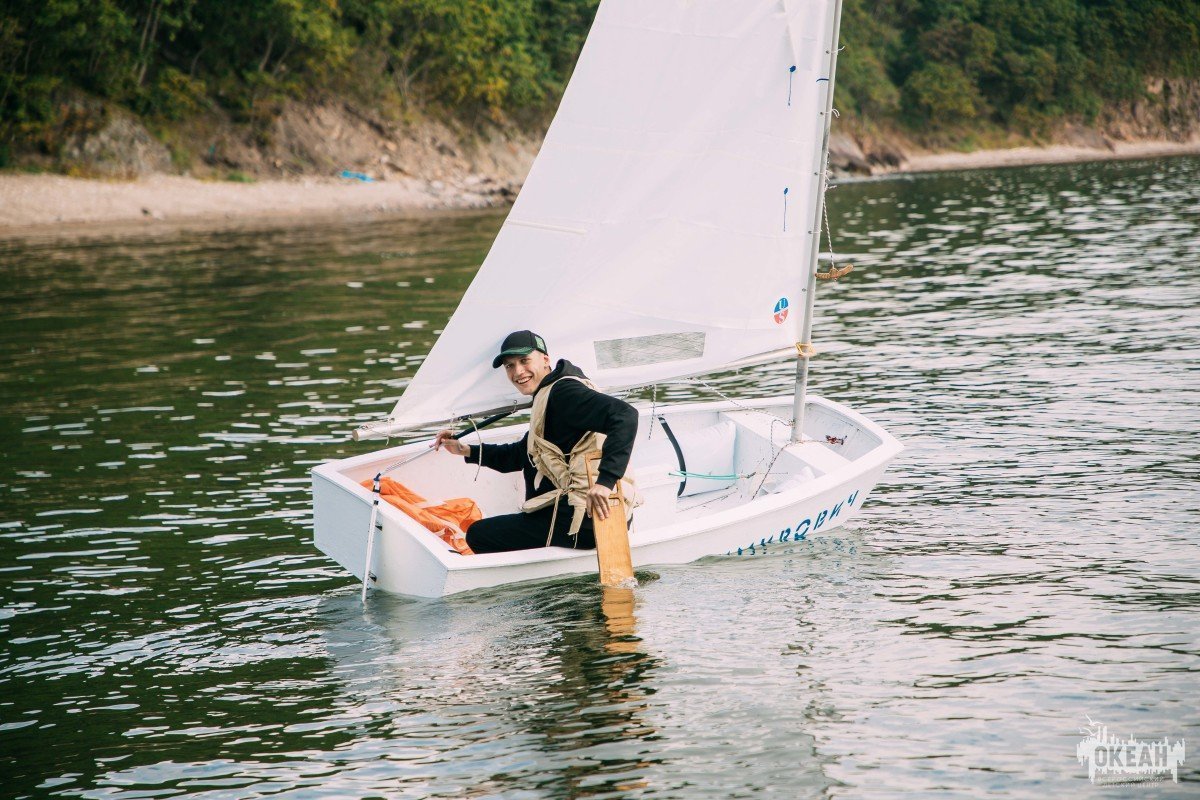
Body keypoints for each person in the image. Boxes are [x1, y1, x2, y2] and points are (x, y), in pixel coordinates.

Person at [433, 330, 638, 554]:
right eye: (510, 366)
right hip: (589, 514)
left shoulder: (564, 393)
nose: (518, 372)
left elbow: (625, 415)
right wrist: (464, 450)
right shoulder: (550, 393)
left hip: (586, 520)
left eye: (524, 361)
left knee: (478, 534)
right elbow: (520, 455)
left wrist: (605, 482)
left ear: (545, 360)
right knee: (507, 524)